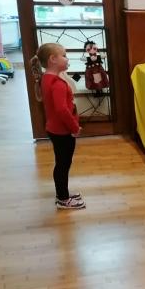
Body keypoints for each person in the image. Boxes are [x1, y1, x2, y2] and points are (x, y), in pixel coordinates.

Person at [30, 43, 85, 210]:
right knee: (63, 164)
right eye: (64, 55)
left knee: (61, 163)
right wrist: (74, 127)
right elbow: (62, 110)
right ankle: (63, 199)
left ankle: (63, 193)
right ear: (53, 59)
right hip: (63, 131)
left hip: (55, 129)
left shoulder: (46, 78)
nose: (67, 59)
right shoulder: (57, 83)